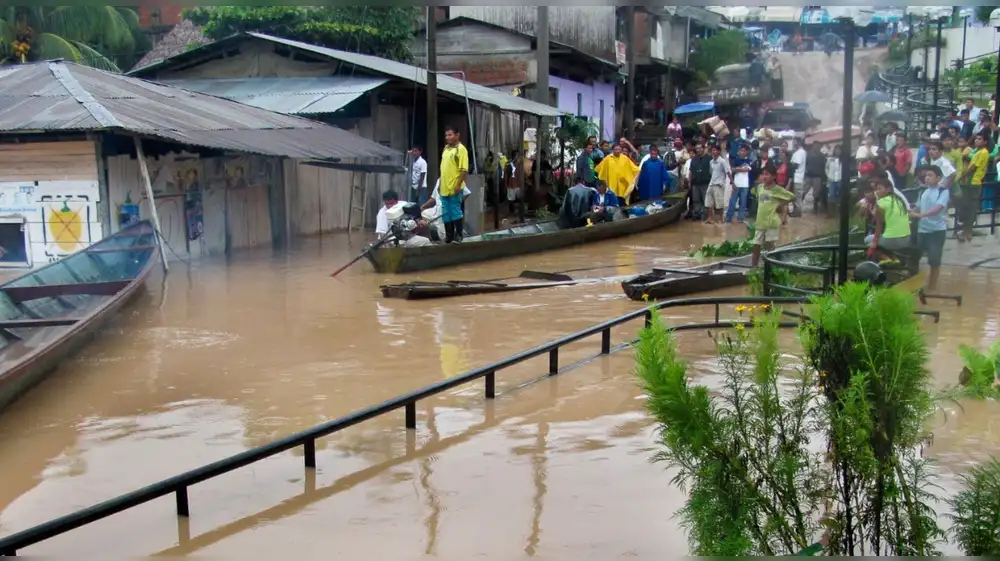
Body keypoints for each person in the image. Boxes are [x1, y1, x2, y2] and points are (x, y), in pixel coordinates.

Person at [910, 165, 950, 292]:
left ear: (938, 178)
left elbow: (937, 209)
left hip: (937, 232)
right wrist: (909, 212)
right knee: (914, 257)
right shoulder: (923, 192)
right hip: (922, 231)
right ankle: (914, 285)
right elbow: (917, 207)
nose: (927, 178)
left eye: (930, 175)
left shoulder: (943, 191)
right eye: (926, 176)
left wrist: (920, 215)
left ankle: (932, 288)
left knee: (934, 261)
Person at [750, 164, 796, 267]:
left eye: (767, 174)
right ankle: (753, 268)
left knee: (769, 246)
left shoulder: (777, 189)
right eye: (763, 174)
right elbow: (755, 193)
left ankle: (773, 266)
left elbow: (792, 197)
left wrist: (780, 204)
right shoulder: (760, 187)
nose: (764, 177)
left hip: (771, 222)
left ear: (774, 176)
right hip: (760, 222)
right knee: (756, 245)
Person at [957, 132, 990, 242]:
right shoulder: (977, 152)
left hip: (973, 182)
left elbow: (973, 168)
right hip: (972, 182)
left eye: (979, 139)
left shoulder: (983, 152)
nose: (976, 141)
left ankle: (967, 231)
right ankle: (967, 232)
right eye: (976, 139)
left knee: (969, 208)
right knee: (968, 207)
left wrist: (962, 177)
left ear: (985, 141)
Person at [867, 177, 911, 258]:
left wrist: (874, 241)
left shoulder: (881, 202)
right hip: (906, 239)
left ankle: (888, 258)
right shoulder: (899, 200)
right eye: (876, 190)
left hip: (892, 239)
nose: (877, 192)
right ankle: (893, 258)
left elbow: (878, 223)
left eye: (880, 189)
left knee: (868, 239)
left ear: (888, 189)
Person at [439, 126, 469, 243]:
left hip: (454, 186)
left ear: (457, 135)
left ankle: (459, 235)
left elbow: (464, 170)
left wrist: (458, 185)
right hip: (444, 187)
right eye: (446, 135)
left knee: (455, 211)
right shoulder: (446, 149)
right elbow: (443, 168)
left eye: (450, 135)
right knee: (446, 213)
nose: (448, 137)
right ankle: (449, 236)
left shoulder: (461, 149)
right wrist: (440, 184)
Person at [725, 143, 752, 223]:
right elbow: (733, 170)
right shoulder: (736, 160)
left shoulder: (749, 160)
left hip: (745, 185)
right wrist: (742, 169)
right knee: (732, 202)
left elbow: (747, 169)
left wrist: (738, 169)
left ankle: (741, 218)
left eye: (744, 151)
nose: (742, 152)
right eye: (741, 150)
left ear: (746, 152)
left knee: (743, 203)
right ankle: (729, 217)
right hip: (736, 184)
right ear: (738, 152)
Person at [705, 144, 731, 225]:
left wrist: (732, 182)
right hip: (711, 184)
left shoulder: (722, 161)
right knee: (708, 202)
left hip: (719, 185)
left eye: (715, 150)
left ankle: (720, 219)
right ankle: (710, 218)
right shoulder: (711, 162)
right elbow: (711, 172)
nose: (714, 152)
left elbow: (728, 172)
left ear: (719, 151)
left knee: (719, 203)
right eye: (712, 150)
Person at [802, 141, 827, 213]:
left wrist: (823, 176)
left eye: (818, 146)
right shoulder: (808, 154)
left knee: (816, 193)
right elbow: (804, 164)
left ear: (820, 147)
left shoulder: (822, 156)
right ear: (813, 146)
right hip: (808, 176)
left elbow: (824, 166)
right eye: (815, 145)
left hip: (817, 176)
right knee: (804, 190)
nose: (817, 147)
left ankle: (815, 208)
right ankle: (798, 205)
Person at [789, 139, 807, 216]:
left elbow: (796, 165)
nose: (794, 143)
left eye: (795, 142)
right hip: (798, 177)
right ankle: (795, 211)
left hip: (797, 177)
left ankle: (797, 212)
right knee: (796, 196)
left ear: (799, 142)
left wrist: (789, 165)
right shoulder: (801, 152)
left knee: (797, 197)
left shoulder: (800, 152)